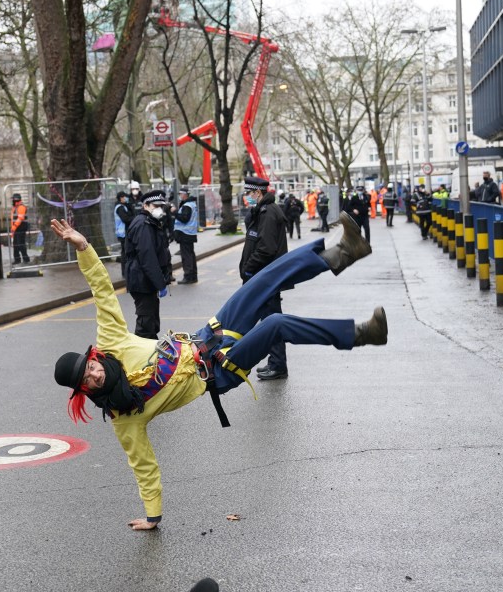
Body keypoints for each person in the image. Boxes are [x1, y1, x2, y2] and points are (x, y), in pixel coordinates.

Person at [49, 210, 385, 530]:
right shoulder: (125, 417)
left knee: (260, 281)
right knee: (276, 324)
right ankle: (363, 334)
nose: (94, 376)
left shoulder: (111, 341)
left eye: (90, 368)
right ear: (85, 392)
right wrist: (153, 516)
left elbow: (102, 292)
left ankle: (344, 251)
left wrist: (83, 247)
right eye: (87, 382)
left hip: (206, 337)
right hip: (218, 373)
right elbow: (143, 466)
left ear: (93, 357)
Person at [240, 175, 290, 381]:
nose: (247, 197)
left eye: (249, 194)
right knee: (269, 320)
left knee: (271, 320)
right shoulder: (262, 211)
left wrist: (249, 269)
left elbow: (266, 248)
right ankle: (275, 362)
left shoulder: (268, 213)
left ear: (258, 193)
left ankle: (278, 365)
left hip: (266, 277)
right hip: (265, 276)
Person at [124, 189, 172, 339]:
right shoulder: (143, 224)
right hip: (142, 281)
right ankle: (143, 358)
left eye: (161, 206)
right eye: (155, 205)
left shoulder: (151, 222)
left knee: (151, 322)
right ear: (145, 205)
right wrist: (160, 283)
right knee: (146, 324)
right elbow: (148, 257)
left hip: (145, 280)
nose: (158, 209)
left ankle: (150, 353)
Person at [173, 188, 199, 284]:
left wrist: (174, 212)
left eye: (181, 194)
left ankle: (188, 276)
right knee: (191, 255)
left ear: (185, 195)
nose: (180, 195)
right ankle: (193, 276)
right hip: (190, 233)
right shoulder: (192, 204)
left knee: (186, 256)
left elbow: (184, 219)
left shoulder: (187, 205)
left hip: (185, 233)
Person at [114, 191, 134, 278]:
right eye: (124, 197)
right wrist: (134, 218)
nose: (126, 198)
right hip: (123, 233)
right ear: (121, 198)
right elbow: (126, 219)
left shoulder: (123, 206)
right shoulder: (120, 208)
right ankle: (125, 272)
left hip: (124, 233)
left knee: (126, 252)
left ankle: (127, 272)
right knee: (125, 253)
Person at [10, 193, 30, 264]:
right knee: (16, 244)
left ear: (16, 200)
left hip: (21, 228)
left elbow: (20, 218)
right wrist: (13, 228)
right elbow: (13, 219)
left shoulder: (21, 207)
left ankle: (26, 259)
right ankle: (17, 259)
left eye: (13, 199)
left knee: (20, 244)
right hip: (16, 228)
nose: (12, 201)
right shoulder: (15, 207)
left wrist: (14, 227)